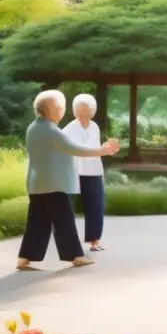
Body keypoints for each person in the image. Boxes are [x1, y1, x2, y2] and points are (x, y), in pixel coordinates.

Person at [18, 90, 119, 270]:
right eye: (61, 108)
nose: (62, 112)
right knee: (63, 219)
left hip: (39, 182)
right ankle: (75, 255)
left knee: (38, 221)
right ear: (51, 109)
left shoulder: (35, 127)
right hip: (53, 183)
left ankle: (25, 257)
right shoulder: (50, 130)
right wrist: (103, 151)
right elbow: (77, 149)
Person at [63, 93, 108, 251]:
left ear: (92, 112)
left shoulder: (94, 127)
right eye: (78, 110)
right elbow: (78, 150)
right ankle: (67, 242)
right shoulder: (69, 129)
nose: (82, 114)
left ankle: (94, 240)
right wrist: (103, 150)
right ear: (74, 112)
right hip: (73, 171)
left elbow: (95, 148)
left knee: (96, 205)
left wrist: (103, 151)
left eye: (85, 110)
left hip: (93, 171)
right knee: (66, 207)